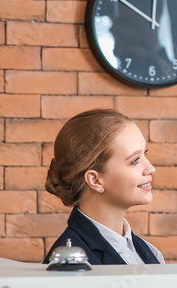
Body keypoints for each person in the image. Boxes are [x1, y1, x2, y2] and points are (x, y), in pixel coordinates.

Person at [44, 109, 164, 265]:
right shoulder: (69, 264)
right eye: (135, 160)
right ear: (95, 180)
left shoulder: (151, 254)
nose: (150, 168)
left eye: (145, 154)